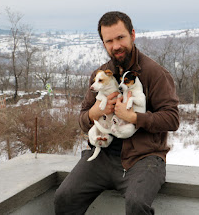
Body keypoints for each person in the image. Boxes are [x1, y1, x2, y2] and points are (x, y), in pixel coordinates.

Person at [54, 11, 180, 215]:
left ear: (132, 34)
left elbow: (172, 119)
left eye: (120, 37)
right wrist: (94, 112)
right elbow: (82, 118)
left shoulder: (154, 74)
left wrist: (134, 118)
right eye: (109, 41)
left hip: (144, 158)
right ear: (104, 43)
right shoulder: (100, 75)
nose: (116, 46)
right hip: (102, 155)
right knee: (64, 197)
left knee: (137, 204)